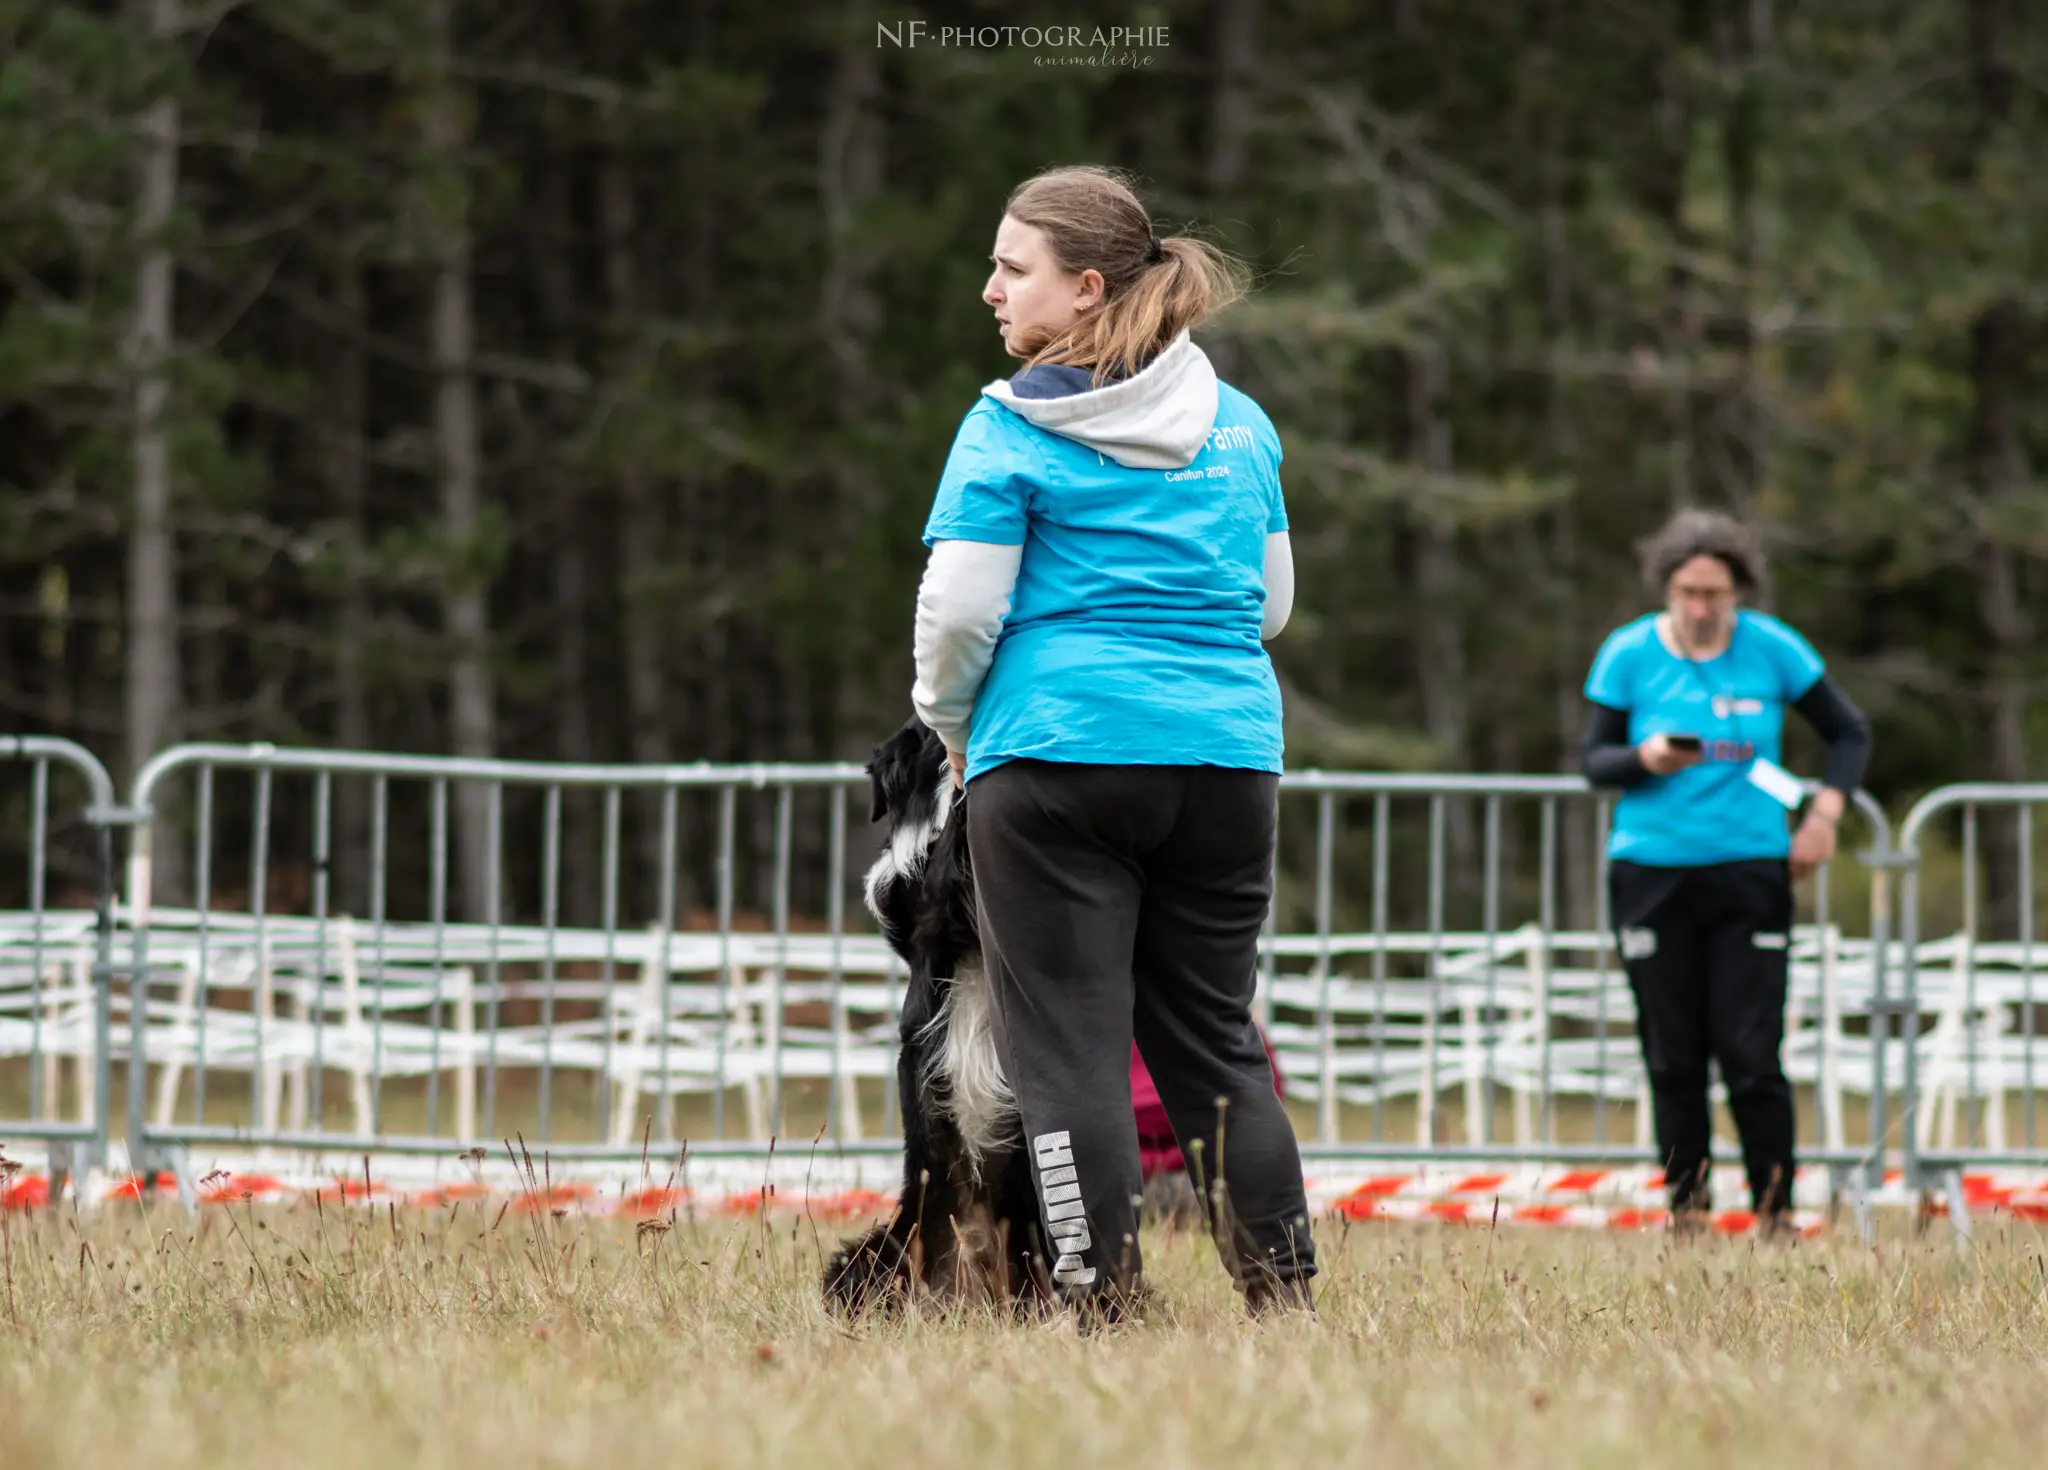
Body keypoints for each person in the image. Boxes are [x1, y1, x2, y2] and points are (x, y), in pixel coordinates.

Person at [909, 165, 1314, 1317]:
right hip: (1226, 763)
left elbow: (958, 614)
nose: (989, 288)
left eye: (1011, 267)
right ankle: (1282, 1303)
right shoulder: (1237, 425)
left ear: (1084, 289)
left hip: (1055, 763)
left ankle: (1099, 1305)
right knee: (1215, 1049)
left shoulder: (1006, 425)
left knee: (1071, 1054)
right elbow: (1271, 603)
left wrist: (948, 726)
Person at [1581, 509, 1871, 1229]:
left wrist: (1824, 817)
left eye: (1716, 592)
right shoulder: (1629, 653)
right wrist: (1645, 759)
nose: (1703, 607)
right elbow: (1594, 763)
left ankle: (1775, 1215)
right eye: (1688, 592)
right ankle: (1689, 1214)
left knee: (1750, 1055)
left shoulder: (1773, 649)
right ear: (1667, 590)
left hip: (1749, 869)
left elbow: (1848, 731)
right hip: (1653, 871)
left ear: (1740, 590)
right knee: (1674, 1057)